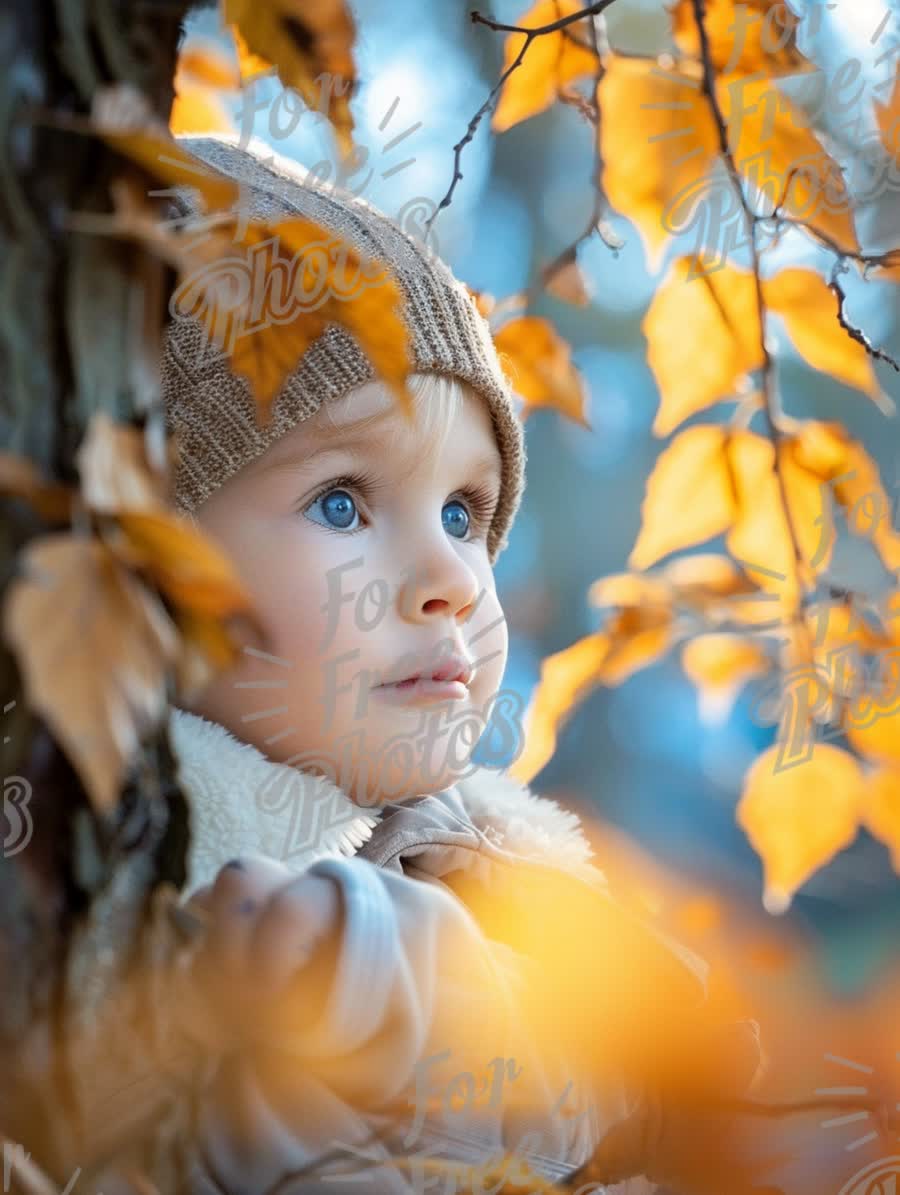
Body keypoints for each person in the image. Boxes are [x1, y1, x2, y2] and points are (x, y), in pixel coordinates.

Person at [159, 132, 760, 1195]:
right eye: (341, 500)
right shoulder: (97, 895)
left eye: (465, 510)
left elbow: (697, 1097)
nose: (453, 575)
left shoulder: (504, 879)